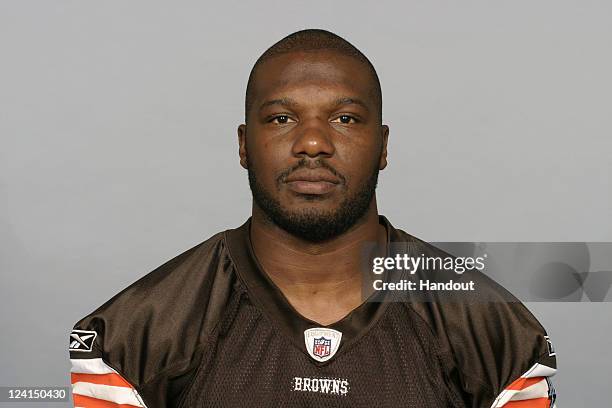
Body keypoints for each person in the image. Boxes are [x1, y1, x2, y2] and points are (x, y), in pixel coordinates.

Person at [68, 29, 557, 408]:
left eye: (345, 119)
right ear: (243, 144)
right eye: (282, 118)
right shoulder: (137, 333)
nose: (313, 143)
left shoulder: (494, 331)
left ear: (383, 146)